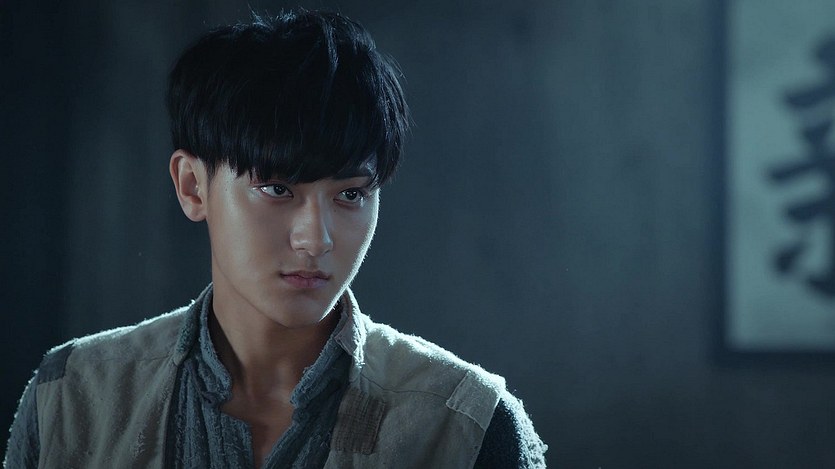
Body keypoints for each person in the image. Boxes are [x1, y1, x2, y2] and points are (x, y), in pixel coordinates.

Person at [4, 9, 547, 468]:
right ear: (192, 186)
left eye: (351, 194)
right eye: (277, 189)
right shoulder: (74, 399)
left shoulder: (463, 425)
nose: (316, 239)